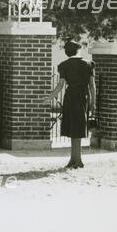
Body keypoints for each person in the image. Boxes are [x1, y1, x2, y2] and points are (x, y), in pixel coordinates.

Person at [42, 40, 96, 169]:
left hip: (70, 96)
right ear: (78, 50)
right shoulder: (89, 64)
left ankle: (76, 160)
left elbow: (60, 86)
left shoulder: (64, 65)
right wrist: (93, 103)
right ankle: (75, 159)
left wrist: (49, 98)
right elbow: (92, 86)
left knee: (73, 127)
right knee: (78, 127)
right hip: (83, 96)